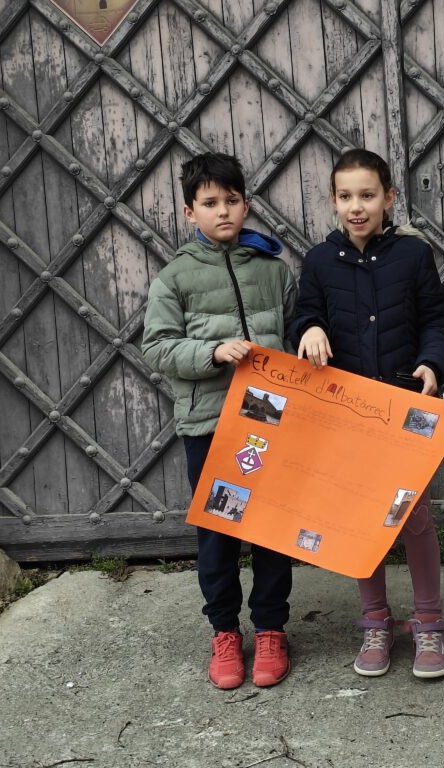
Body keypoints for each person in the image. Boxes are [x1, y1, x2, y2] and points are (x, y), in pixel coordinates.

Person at [293, 148, 444, 678]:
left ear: (389, 197)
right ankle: (375, 622)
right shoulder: (319, 262)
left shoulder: (413, 257)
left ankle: (428, 623)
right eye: (345, 196)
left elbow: (437, 321)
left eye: (367, 195)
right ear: (333, 201)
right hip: (348, 416)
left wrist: (432, 362)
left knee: (415, 516)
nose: (356, 207)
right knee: (361, 521)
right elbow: (306, 313)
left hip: (406, 409)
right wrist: (309, 329)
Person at [142, 152, 298, 690]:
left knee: (271, 529)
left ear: (246, 204)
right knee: (220, 532)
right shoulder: (175, 278)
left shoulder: (274, 271)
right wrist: (211, 353)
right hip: (211, 427)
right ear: (190, 212)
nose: (223, 211)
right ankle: (225, 632)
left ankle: (272, 629)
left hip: (268, 421)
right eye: (210, 203)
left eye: (232, 200)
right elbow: (157, 348)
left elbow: (297, 335)